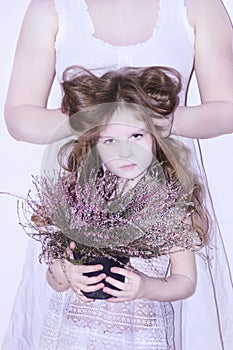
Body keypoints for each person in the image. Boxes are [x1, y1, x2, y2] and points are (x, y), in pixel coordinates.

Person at [2, 0, 233, 349]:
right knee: (74, 298)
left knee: (171, 318)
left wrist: (152, 123)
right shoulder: (51, 6)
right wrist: (99, 122)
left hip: (165, 186)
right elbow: (19, 117)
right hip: (86, 188)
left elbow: (229, 108)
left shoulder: (197, 5)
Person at [20, 65, 209, 349]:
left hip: (139, 337)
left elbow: (185, 281)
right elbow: (54, 278)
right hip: (76, 334)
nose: (125, 150)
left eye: (136, 136)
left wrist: (147, 286)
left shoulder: (170, 205)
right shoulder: (80, 199)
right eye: (110, 140)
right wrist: (66, 273)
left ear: (156, 137)